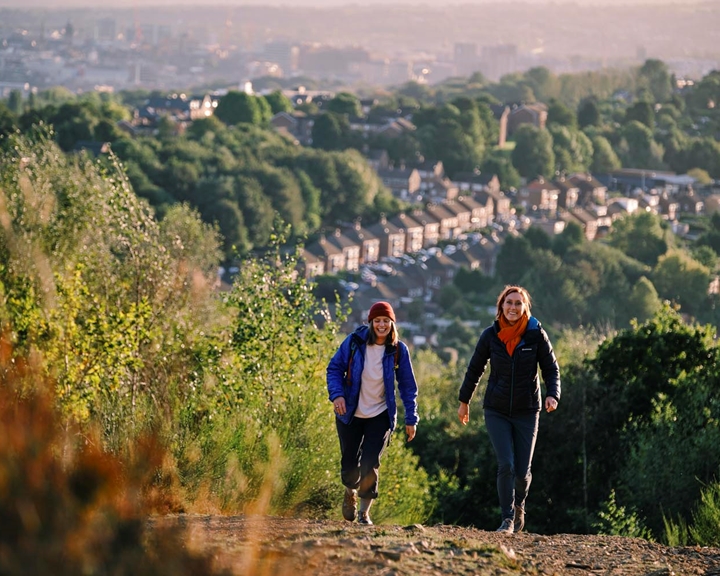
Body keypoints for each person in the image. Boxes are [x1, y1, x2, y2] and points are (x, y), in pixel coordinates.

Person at [457, 285, 560, 534]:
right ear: (501, 306)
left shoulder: (536, 335)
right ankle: (507, 519)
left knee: (523, 472)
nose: (513, 307)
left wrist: (553, 395)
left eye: (518, 303)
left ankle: (520, 504)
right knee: (506, 465)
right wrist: (464, 401)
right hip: (497, 409)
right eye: (508, 303)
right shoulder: (490, 335)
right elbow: (475, 369)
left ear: (525, 308)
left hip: (527, 410)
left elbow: (551, 368)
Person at [327, 301, 419, 525]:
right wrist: (337, 395)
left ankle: (364, 513)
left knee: (370, 463)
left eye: (386, 321)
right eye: (377, 321)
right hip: (350, 412)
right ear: (370, 322)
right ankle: (350, 492)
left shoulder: (398, 350)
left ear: (392, 324)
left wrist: (411, 418)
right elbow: (335, 368)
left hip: (380, 415)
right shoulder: (354, 342)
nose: (381, 325)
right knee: (350, 463)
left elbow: (408, 386)